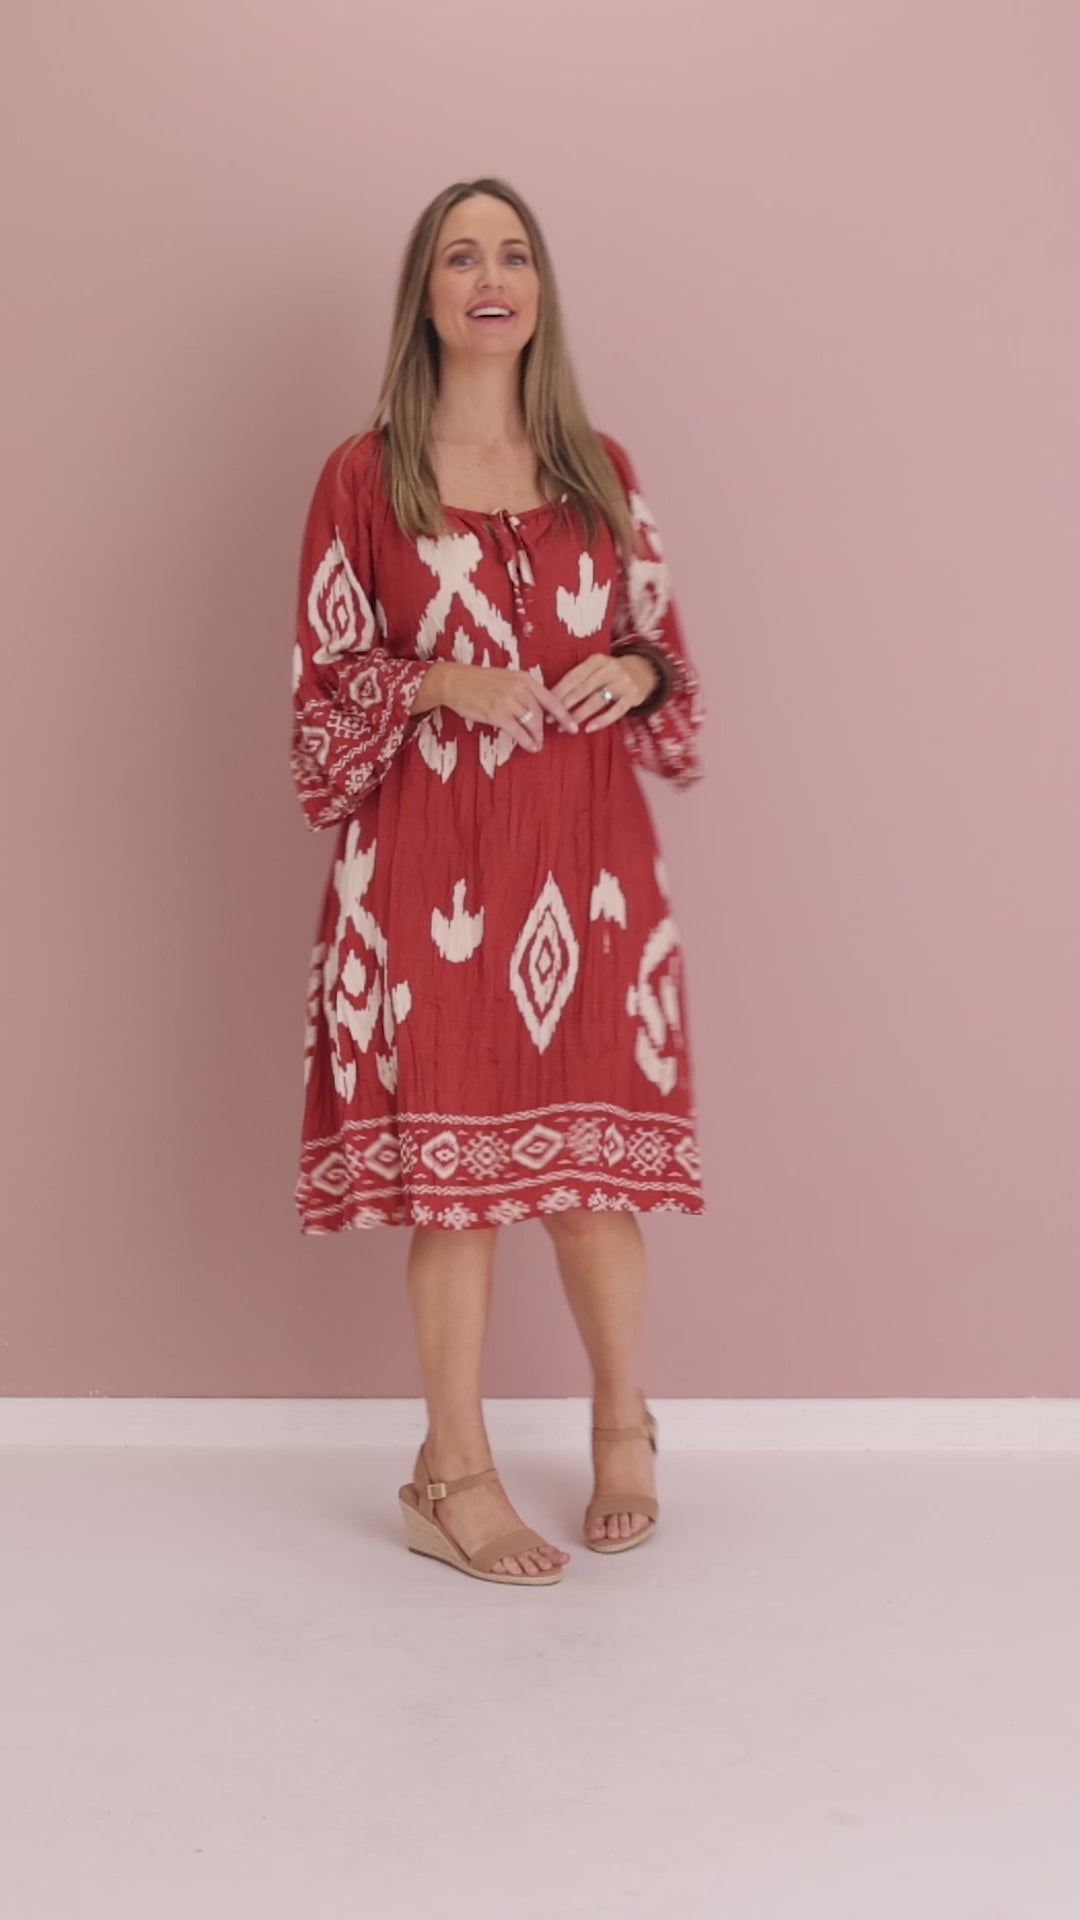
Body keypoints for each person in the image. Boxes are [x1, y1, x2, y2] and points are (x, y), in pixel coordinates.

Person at [289, 177, 706, 1587]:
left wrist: (632, 670)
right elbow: (323, 687)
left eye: (514, 254)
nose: (491, 277)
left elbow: (665, 650)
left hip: (587, 863)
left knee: (593, 1178)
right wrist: (437, 680)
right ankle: (451, 1474)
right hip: (430, 860)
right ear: (425, 294)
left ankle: (623, 1429)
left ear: (539, 291)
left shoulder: (598, 467)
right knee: (456, 1190)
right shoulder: (366, 476)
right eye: (461, 255)